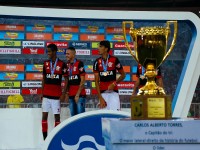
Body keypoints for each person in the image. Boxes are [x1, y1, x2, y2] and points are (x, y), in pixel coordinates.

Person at [41, 43, 68, 140]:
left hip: (56, 96)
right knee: (44, 116)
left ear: (54, 52)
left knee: (57, 118)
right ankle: (45, 139)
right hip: (46, 95)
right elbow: (44, 78)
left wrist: (63, 93)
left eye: (49, 51)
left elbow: (66, 80)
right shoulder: (45, 63)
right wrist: (42, 92)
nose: (48, 53)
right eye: (47, 51)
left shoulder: (62, 64)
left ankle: (56, 138)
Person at [93, 40, 125, 110]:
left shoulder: (114, 60)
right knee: (104, 119)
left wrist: (114, 84)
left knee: (116, 117)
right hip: (103, 94)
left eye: (100, 46)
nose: (98, 48)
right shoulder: (97, 62)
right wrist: (100, 98)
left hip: (114, 93)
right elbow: (96, 82)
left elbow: (123, 75)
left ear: (106, 49)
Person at [65, 47, 86, 116]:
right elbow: (67, 80)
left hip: (79, 95)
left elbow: (82, 80)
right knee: (73, 117)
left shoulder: (79, 63)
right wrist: (67, 93)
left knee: (80, 117)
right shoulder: (66, 65)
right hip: (71, 95)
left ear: (73, 54)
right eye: (66, 54)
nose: (66, 55)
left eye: (68, 54)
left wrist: (77, 94)